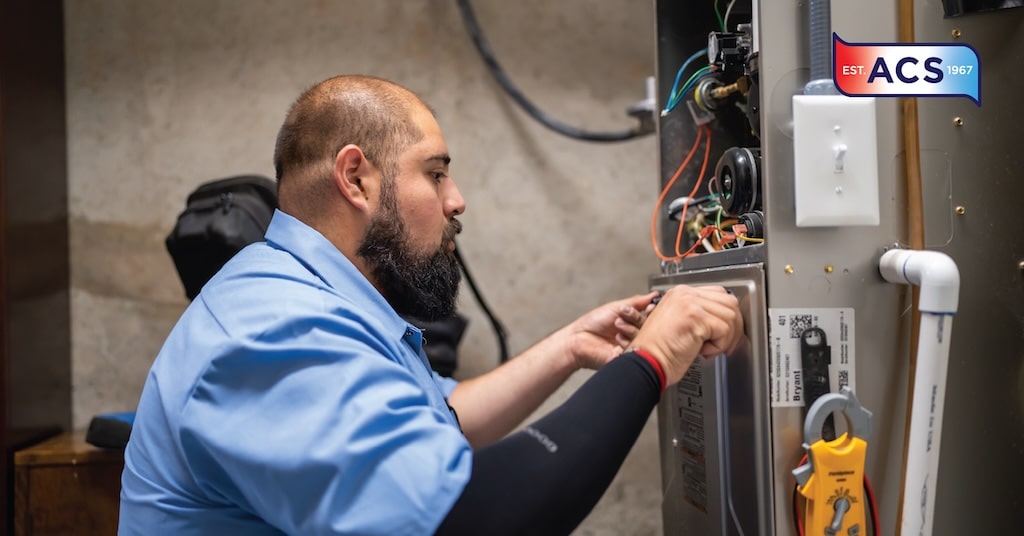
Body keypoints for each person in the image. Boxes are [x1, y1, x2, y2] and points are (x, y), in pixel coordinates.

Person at [118, 74, 743, 535]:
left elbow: (440, 421)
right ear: (356, 178)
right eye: (436, 173)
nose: (457, 199)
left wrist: (570, 348)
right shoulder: (271, 330)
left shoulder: (320, 299)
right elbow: (473, 515)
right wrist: (656, 357)